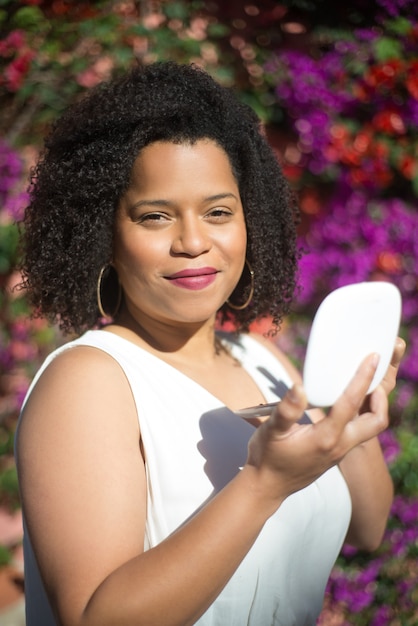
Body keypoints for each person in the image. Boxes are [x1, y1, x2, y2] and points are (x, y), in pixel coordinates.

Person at [15, 61, 405, 626]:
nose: (194, 242)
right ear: (104, 234)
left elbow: (367, 529)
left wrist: (354, 415)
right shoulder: (90, 381)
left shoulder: (264, 361)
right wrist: (264, 485)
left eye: (218, 212)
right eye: (154, 217)